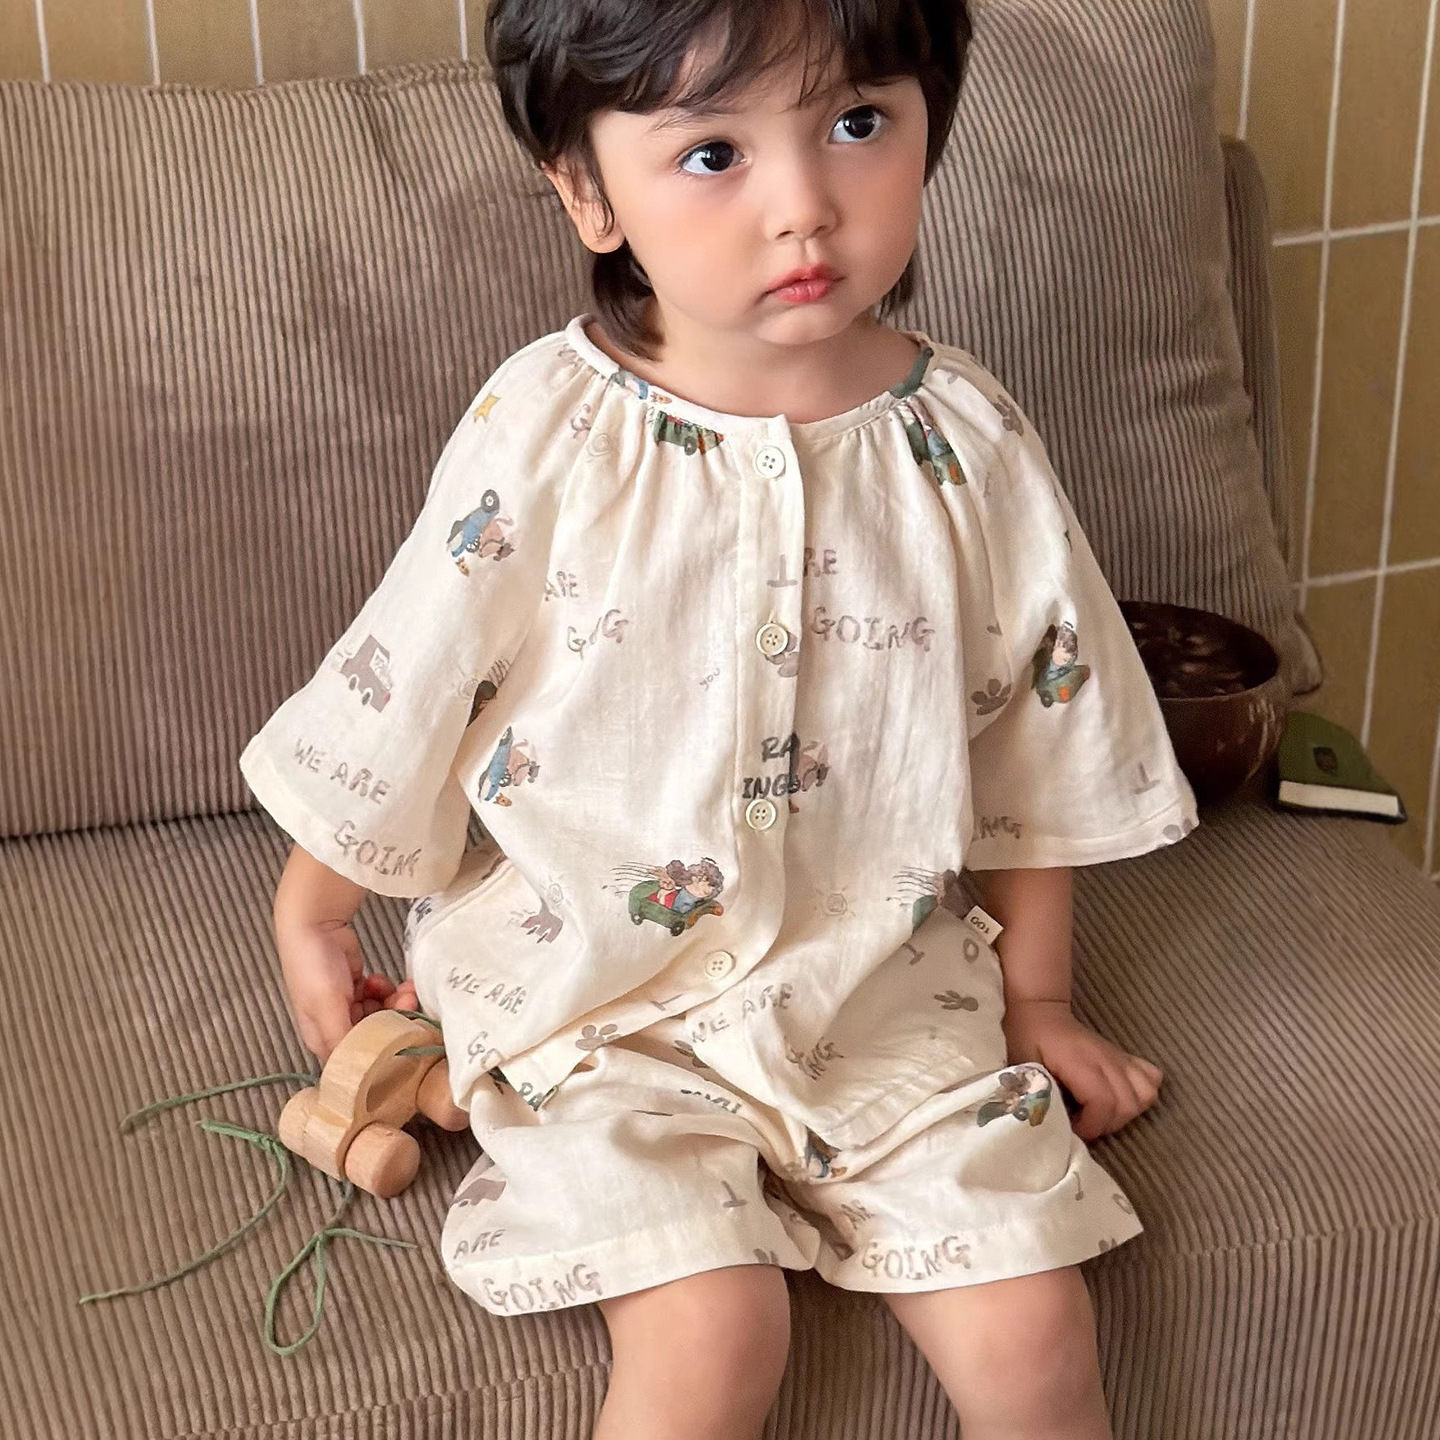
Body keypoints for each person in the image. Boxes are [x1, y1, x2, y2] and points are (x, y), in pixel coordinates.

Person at [239, 1, 1199, 1435]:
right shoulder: (547, 431)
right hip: (596, 1008)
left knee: (1034, 1328)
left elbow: (1032, 745)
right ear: (587, 191)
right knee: (711, 1331)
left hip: (882, 1002)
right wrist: (314, 913)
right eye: (713, 154)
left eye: (858, 124)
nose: (804, 206)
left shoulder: (970, 446)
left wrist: (1041, 1001)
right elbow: (417, 674)